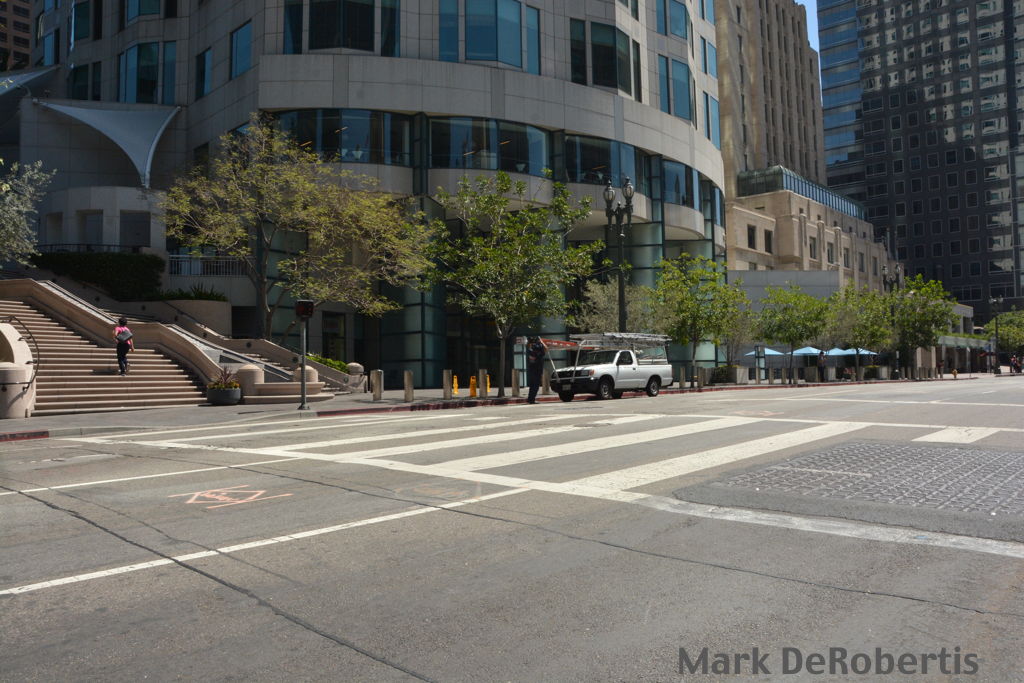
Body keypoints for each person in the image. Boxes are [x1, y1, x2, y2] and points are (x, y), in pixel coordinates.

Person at [526, 336, 547, 404]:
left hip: (532, 370)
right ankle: (532, 399)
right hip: (537, 370)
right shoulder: (539, 351)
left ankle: (530, 399)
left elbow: (528, 346)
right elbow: (546, 348)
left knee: (532, 386)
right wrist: (541, 341)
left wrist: (530, 342)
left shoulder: (530, 350)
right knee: (536, 386)